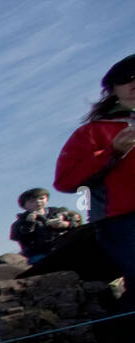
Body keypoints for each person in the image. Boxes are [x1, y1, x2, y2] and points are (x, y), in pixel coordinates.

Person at [55, 53, 135, 309]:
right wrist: (112, 152)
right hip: (123, 222)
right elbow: (65, 181)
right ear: (111, 90)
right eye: (125, 79)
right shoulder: (92, 132)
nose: (134, 83)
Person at [10, 189, 82, 263]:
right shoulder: (20, 222)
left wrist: (66, 224)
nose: (38, 202)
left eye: (41, 198)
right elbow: (16, 237)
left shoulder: (60, 212)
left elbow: (77, 224)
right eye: (31, 201)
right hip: (38, 254)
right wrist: (29, 224)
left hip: (64, 247)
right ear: (24, 206)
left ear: (47, 199)